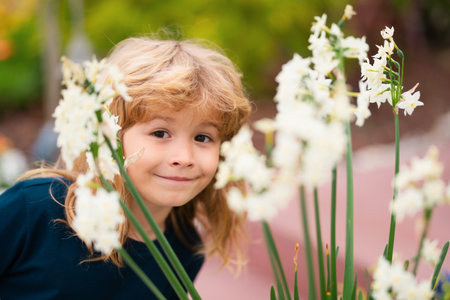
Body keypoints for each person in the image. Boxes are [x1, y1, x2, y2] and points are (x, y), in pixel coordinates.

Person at [0, 37, 252, 299]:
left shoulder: (184, 249)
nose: (184, 157)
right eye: (160, 132)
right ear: (110, 134)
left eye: (203, 138)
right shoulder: (36, 207)